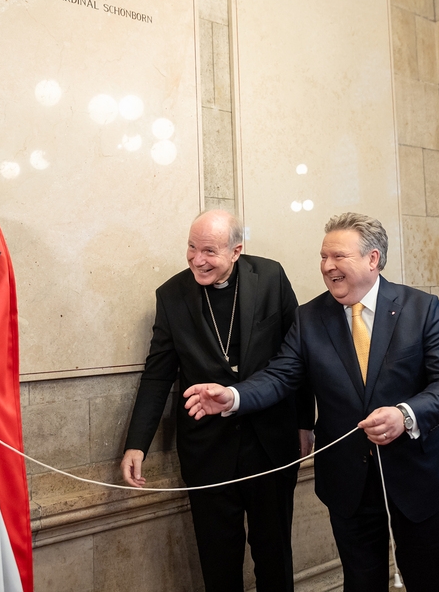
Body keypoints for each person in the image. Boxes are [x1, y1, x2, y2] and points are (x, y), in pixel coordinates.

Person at [184, 212, 439, 592]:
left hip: (418, 474)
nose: (327, 266)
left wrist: (405, 415)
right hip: (348, 480)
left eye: (338, 256)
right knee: (361, 582)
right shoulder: (309, 318)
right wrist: (233, 397)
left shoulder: (421, 308)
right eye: (323, 257)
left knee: (427, 578)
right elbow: (279, 376)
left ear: (372, 259)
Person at [121, 210, 315, 592]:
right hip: (207, 450)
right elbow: (158, 375)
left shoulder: (271, 277)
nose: (197, 259)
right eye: (191, 247)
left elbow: (298, 356)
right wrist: (136, 444)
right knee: (218, 561)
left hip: (269, 443)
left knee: (274, 555)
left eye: (209, 251)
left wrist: (304, 423)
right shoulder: (171, 295)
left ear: (236, 250)